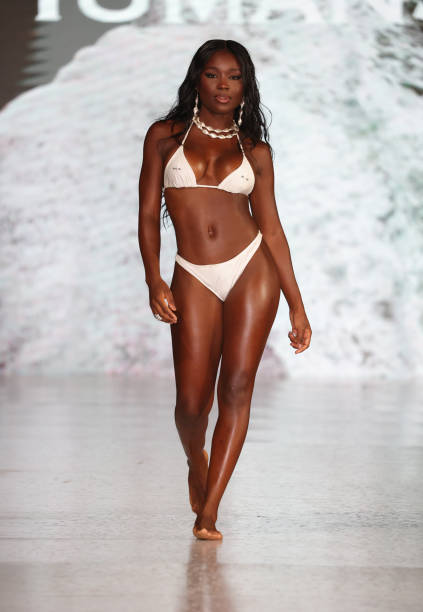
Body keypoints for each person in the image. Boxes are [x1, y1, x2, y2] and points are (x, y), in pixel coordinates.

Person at [138, 39, 311, 541]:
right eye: (213, 74)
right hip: (192, 272)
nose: (223, 85)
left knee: (236, 387)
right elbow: (147, 216)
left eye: (234, 77)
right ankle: (196, 460)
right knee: (191, 404)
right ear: (198, 78)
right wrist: (153, 277)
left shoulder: (255, 151)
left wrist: (297, 305)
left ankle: (209, 511)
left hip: (252, 268)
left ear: (245, 86)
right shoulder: (164, 137)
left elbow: (272, 229)